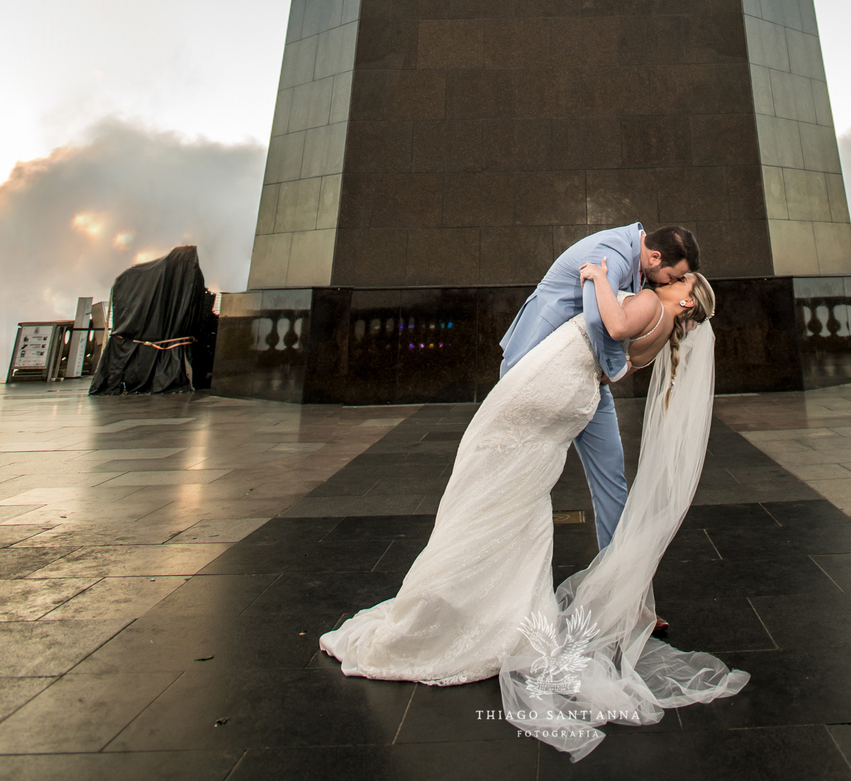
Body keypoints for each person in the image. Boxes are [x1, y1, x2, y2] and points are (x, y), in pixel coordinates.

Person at [320, 263, 748, 758]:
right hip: (576, 395)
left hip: (551, 384)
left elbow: (611, 325)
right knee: (519, 496)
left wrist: (597, 276)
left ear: (691, 300)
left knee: (482, 475)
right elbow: (618, 366)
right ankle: (509, 611)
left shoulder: (651, 305)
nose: (673, 277)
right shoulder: (663, 336)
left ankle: (457, 607)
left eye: (683, 279)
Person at [499, 221, 698, 549]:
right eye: (673, 277)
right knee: (521, 474)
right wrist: (617, 370)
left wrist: (678, 317)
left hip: (585, 377)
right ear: (655, 258)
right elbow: (597, 319)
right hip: (535, 365)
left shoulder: (641, 268)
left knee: (611, 473)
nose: (671, 283)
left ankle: (616, 577)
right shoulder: (612, 252)